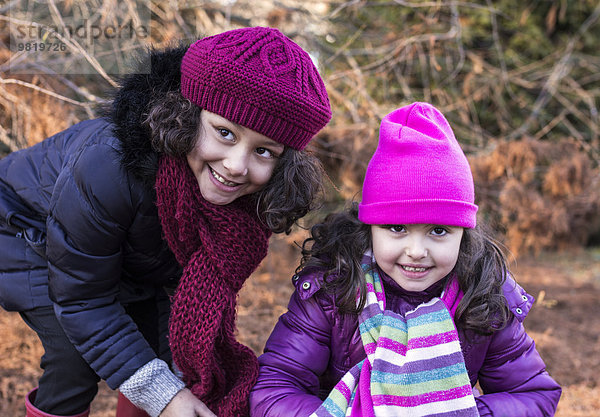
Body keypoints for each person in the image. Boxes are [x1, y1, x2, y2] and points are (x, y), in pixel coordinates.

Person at [0, 27, 332, 417]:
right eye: (224, 133)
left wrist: (170, 388)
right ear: (185, 115)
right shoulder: (108, 166)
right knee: (75, 360)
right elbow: (83, 298)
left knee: (166, 357)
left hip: (127, 256)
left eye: (263, 151)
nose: (236, 166)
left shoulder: (245, 199)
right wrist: (165, 397)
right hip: (26, 227)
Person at [250, 102, 561, 417]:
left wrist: (458, 412)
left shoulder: (483, 294)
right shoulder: (334, 286)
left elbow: (534, 393)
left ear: (463, 234)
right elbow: (276, 387)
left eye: (438, 231)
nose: (416, 250)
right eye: (397, 228)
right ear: (370, 227)